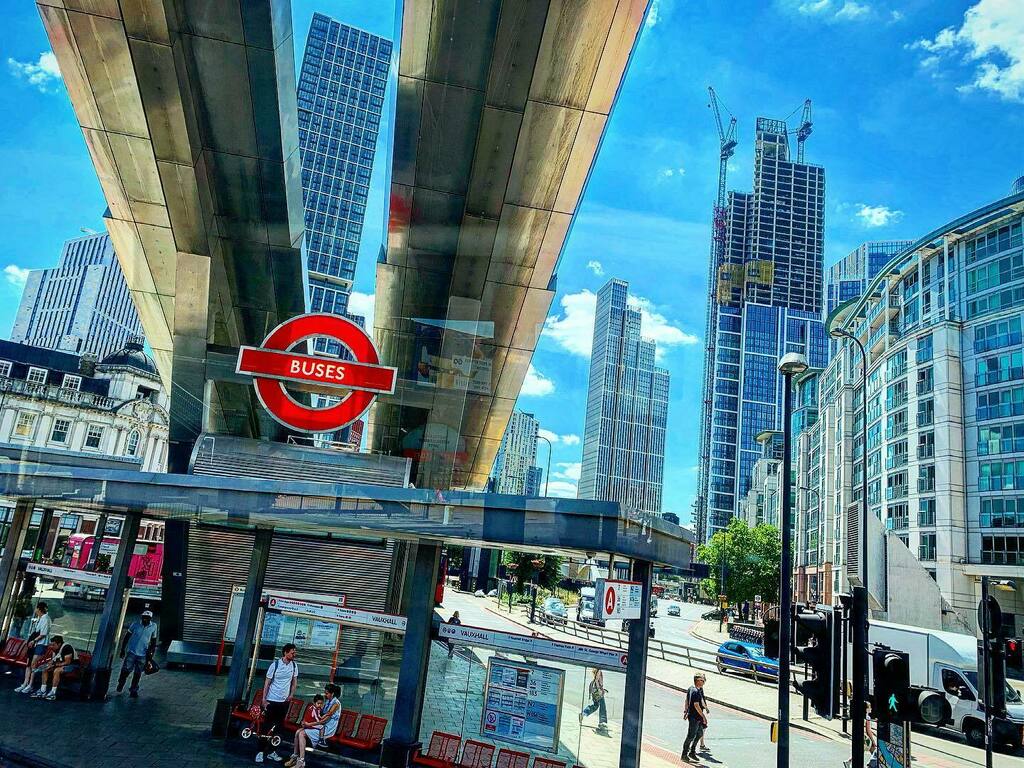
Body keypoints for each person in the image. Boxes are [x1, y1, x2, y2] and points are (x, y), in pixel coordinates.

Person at [256, 643, 298, 764]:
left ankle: (272, 751)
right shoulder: (275, 665)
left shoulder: (294, 666)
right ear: (285, 652)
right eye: (292, 652)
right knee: (266, 726)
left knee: (279, 728)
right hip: (271, 700)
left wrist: (291, 694)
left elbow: (294, 682)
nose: (293, 654)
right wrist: (264, 699)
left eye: (294, 652)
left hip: (284, 702)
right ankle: (260, 751)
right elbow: (267, 683)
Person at [286, 683, 341, 768]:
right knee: (298, 732)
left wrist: (309, 724)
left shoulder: (336, 704)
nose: (325, 695)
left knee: (302, 734)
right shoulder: (327, 701)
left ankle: (301, 762)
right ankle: (295, 757)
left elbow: (324, 719)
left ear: (332, 693)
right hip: (321, 724)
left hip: (328, 728)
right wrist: (305, 721)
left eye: (327, 693)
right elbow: (319, 714)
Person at [117, 610, 158, 699]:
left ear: (150, 618)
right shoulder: (135, 624)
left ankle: (133, 690)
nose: (145, 619)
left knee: (137, 673)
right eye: (143, 617)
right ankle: (121, 682)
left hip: (143, 654)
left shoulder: (154, 626)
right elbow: (127, 636)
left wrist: (151, 654)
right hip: (132, 652)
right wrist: (123, 649)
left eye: (147, 618)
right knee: (125, 670)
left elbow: (153, 641)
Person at [14, 603, 51, 692]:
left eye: (36, 608)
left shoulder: (46, 619)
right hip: (34, 644)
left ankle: (30, 684)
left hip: (40, 644)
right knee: (29, 663)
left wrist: (34, 640)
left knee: (34, 664)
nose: (35, 610)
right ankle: (25, 683)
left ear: (39, 609)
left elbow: (43, 633)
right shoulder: (40, 618)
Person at [30, 636, 77, 700]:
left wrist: (54, 665)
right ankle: (42, 690)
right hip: (61, 664)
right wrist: (47, 665)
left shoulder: (67, 647)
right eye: (51, 644)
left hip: (73, 666)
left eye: (53, 645)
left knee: (57, 670)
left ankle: (53, 693)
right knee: (45, 668)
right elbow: (53, 660)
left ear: (59, 644)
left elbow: (67, 662)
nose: (52, 646)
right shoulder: (55, 649)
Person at [681, 673, 708, 762]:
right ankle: (684, 755)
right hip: (694, 717)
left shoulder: (692, 688)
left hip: (696, 716)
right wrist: (703, 716)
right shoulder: (695, 691)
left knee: (700, 733)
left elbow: (686, 700)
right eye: (702, 680)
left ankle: (692, 751)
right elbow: (696, 705)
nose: (704, 682)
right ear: (697, 681)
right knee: (691, 736)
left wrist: (685, 711)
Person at [578, 668, 608, 733]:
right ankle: (602, 722)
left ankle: (583, 714)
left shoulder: (597, 672)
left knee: (595, 706)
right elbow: (597, 680)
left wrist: (602, 690)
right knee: (603, 705)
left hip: (595, 690)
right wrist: (599, 690)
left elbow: (596, 681)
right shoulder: (599, 670)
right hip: (597, 690)